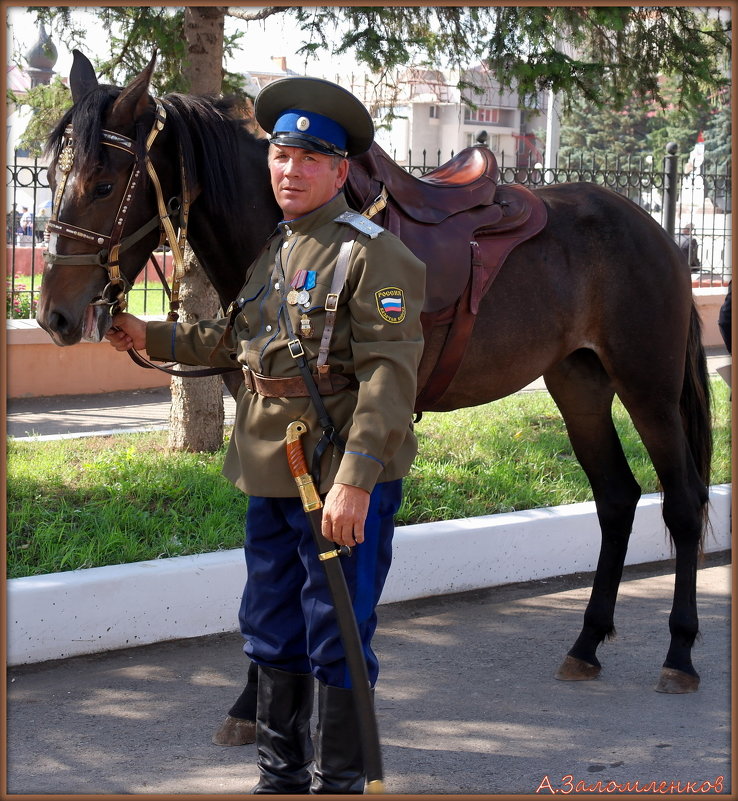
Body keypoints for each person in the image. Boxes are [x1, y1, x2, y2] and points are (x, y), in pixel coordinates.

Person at [106, 76, 426, 794]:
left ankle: (341, 782)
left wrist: (356, 480)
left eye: (310, 159)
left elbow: (387, 379)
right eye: (281, 156)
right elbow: (233, 340)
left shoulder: (374, 257)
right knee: (272, 628)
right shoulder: (273, 255)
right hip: (271, 472)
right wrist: (147, 332)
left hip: (338, 479)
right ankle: (280, 779)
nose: (290, 170)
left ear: (340, 170)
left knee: (338, 632)